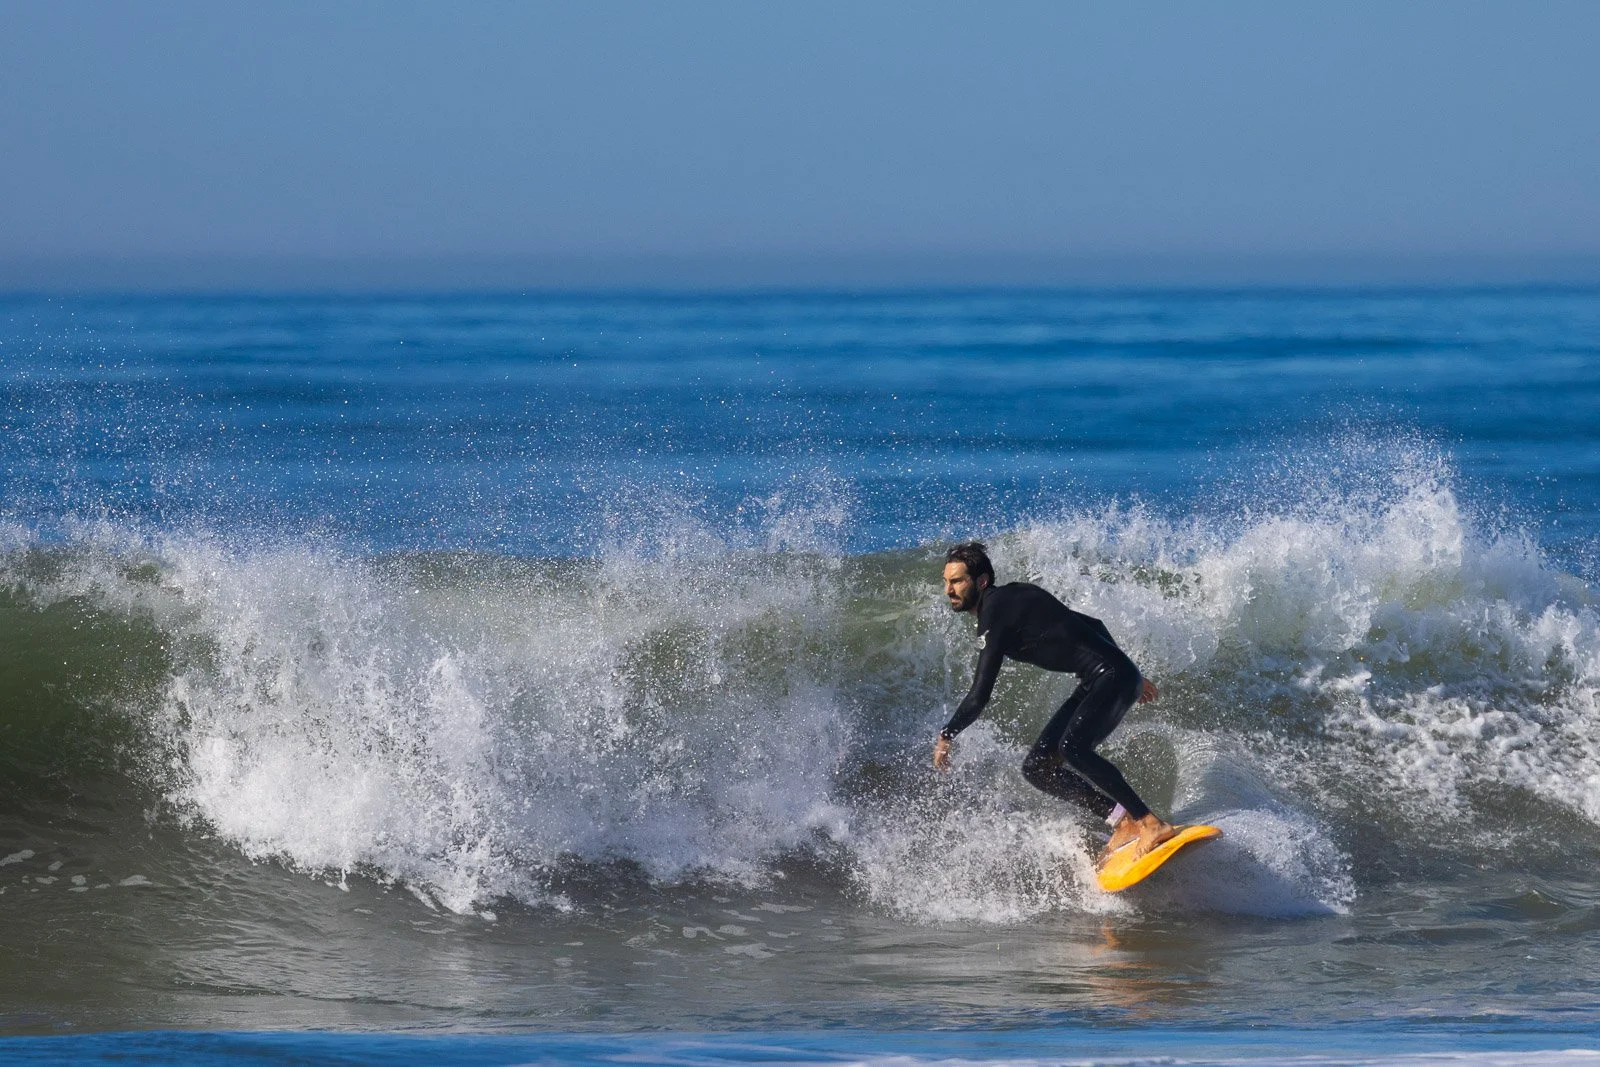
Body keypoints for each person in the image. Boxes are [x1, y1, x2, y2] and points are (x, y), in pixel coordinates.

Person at [933, 541, 1178, 862]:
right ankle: (1123, 821)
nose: (949, 590)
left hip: (1110, 676)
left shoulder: (994, 611)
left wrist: (946, 735)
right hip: (1104, 678)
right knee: (1038, 767)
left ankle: (1149, 822)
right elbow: (1094, 625)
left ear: (981, 581)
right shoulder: (1012, 598)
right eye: (946, 582)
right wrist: (1132, 672)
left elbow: (979, 696)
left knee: (1073, 748)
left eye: (957, 581)